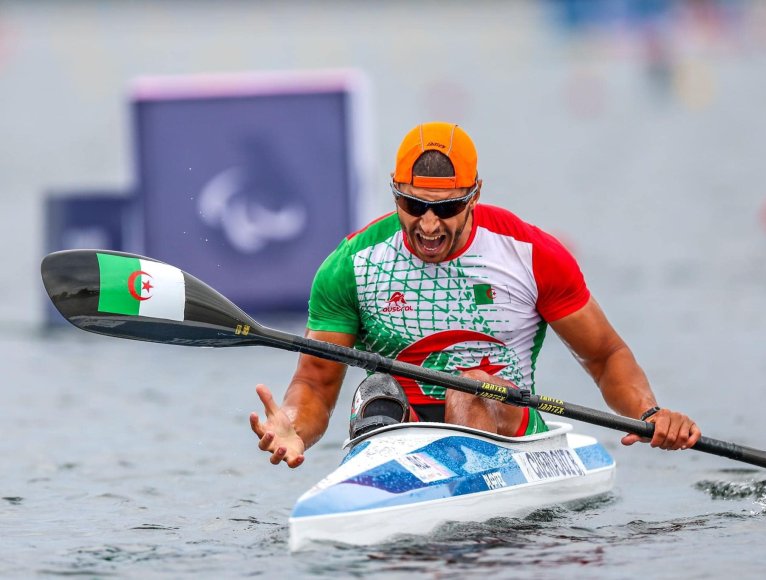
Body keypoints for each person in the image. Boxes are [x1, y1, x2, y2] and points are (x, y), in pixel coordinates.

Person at [250, 122, 701, 468]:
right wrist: (295, 425)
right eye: (412, 205)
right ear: (394, 193)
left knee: (468, 389)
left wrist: (650, 412)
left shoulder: (530, 254)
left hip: (506, 425)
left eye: (445, 208)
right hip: (401, 429)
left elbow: (605, 356)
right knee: (373, 393)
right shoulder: (351, 265)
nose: (428, 225)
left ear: (474, 195)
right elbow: (315, 382)